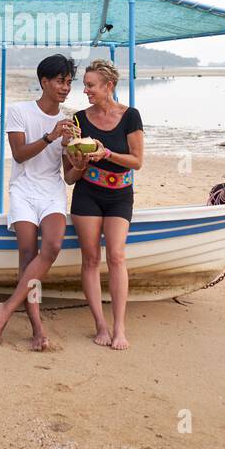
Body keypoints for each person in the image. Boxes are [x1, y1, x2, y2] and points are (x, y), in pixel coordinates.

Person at [0, 55, 77, 350]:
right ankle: (37, 327)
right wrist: (51, 136)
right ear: (44, 82)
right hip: (24, 192)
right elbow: (19, 154)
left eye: (69, 81)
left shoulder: (70, 124)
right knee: (28, 258)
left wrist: (83, 161)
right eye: (60, 81)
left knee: (51, 247)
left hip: (52, 193)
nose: (65, 87)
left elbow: (68, 176)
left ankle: (7, 307)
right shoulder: (19, 111)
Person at [66, 59, 144, 350]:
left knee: (116, 255)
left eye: (91, 86)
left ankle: (120, 327)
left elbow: (137, 161)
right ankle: (100, 324)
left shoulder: (131, 116)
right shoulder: (78, 120)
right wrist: (80, 162)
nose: (85, 91)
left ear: (108, 86)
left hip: (120, 195)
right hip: (87, 193)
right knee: (90, 259)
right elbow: (70, 177)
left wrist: (106, 152)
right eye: (84, 85)